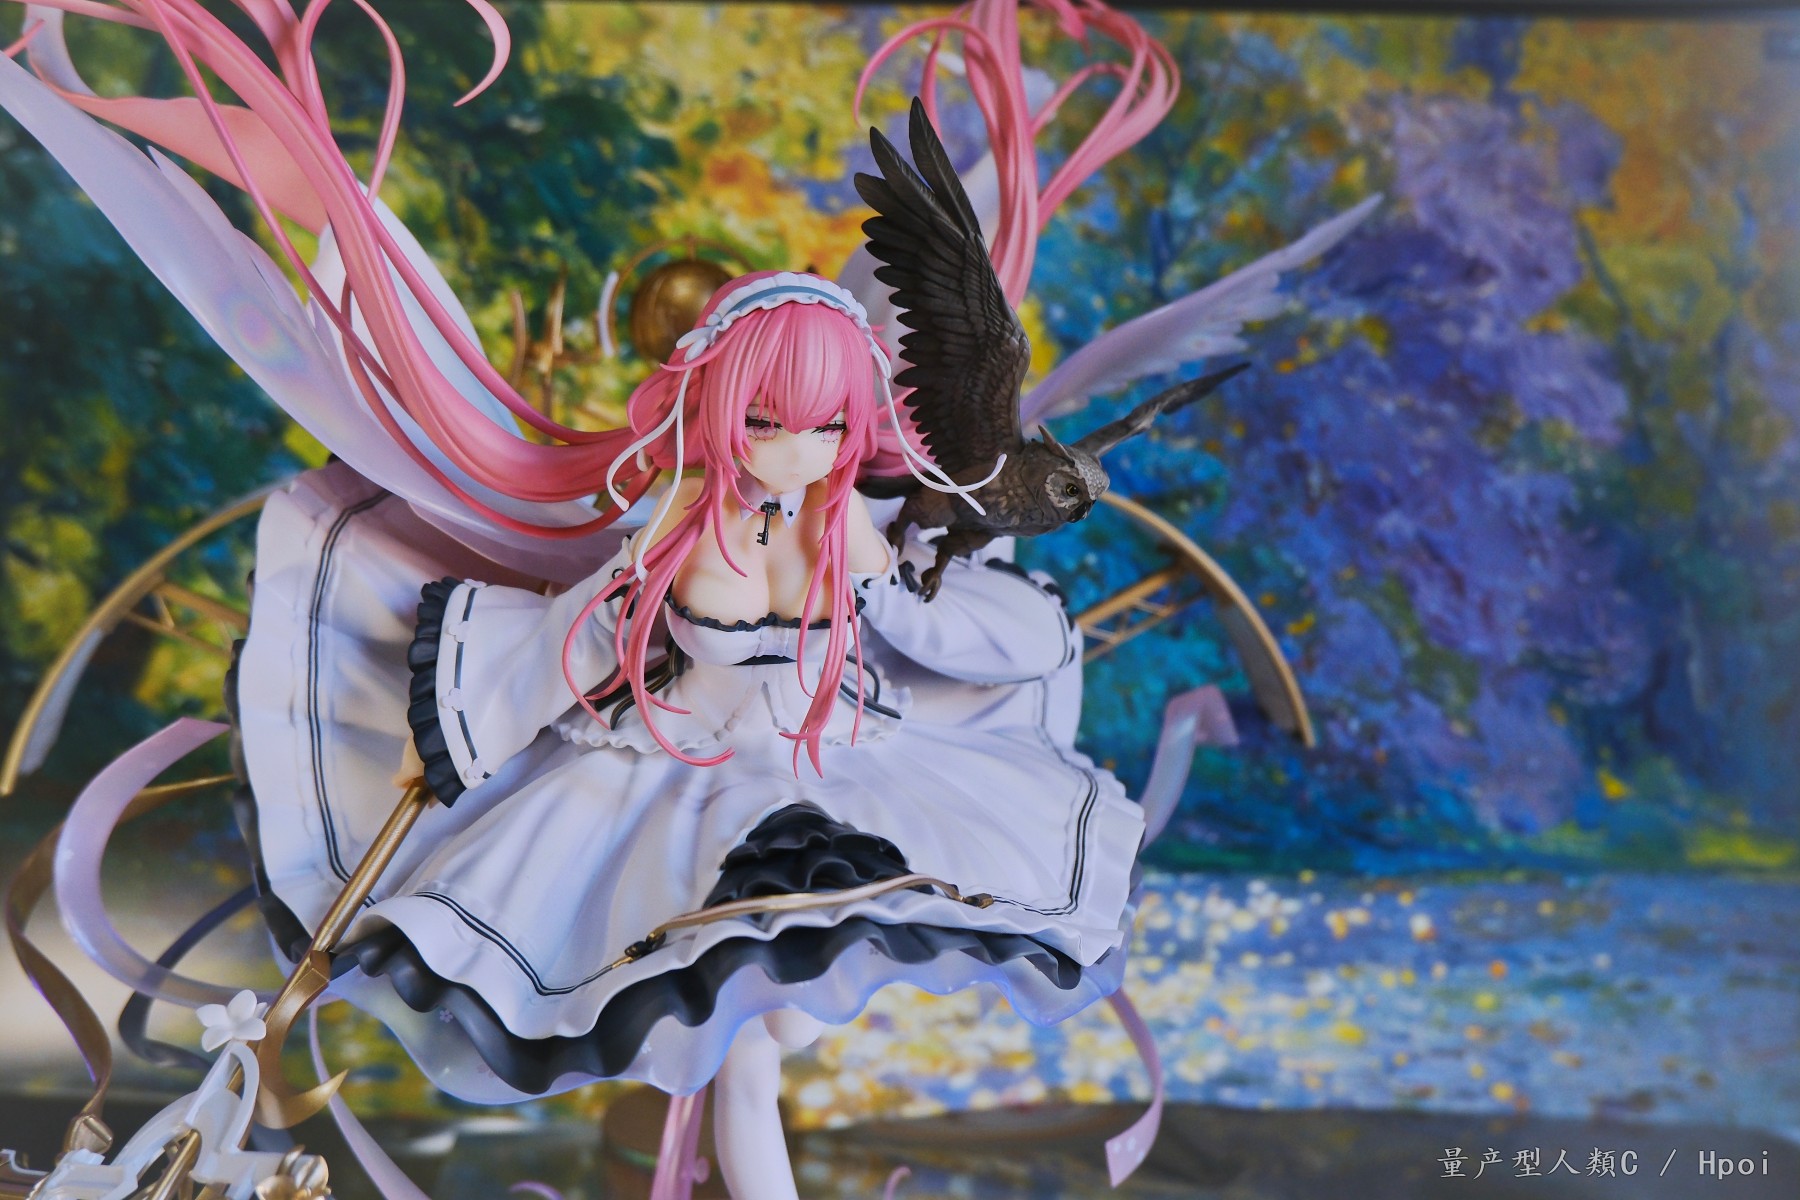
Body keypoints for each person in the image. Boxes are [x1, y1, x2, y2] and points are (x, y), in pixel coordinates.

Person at [237, 269, 1143, 1199]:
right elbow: (586, 634)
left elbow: (918, 624)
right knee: (746, 1057)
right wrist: (453, 734)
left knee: (782, 1023)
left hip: (826, 767)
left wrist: (1010, 642)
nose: (797, 451)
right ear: (716, 404)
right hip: (682, 772)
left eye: (828, 425)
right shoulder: (682, 512)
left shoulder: (842, 519)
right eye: (766, 421)